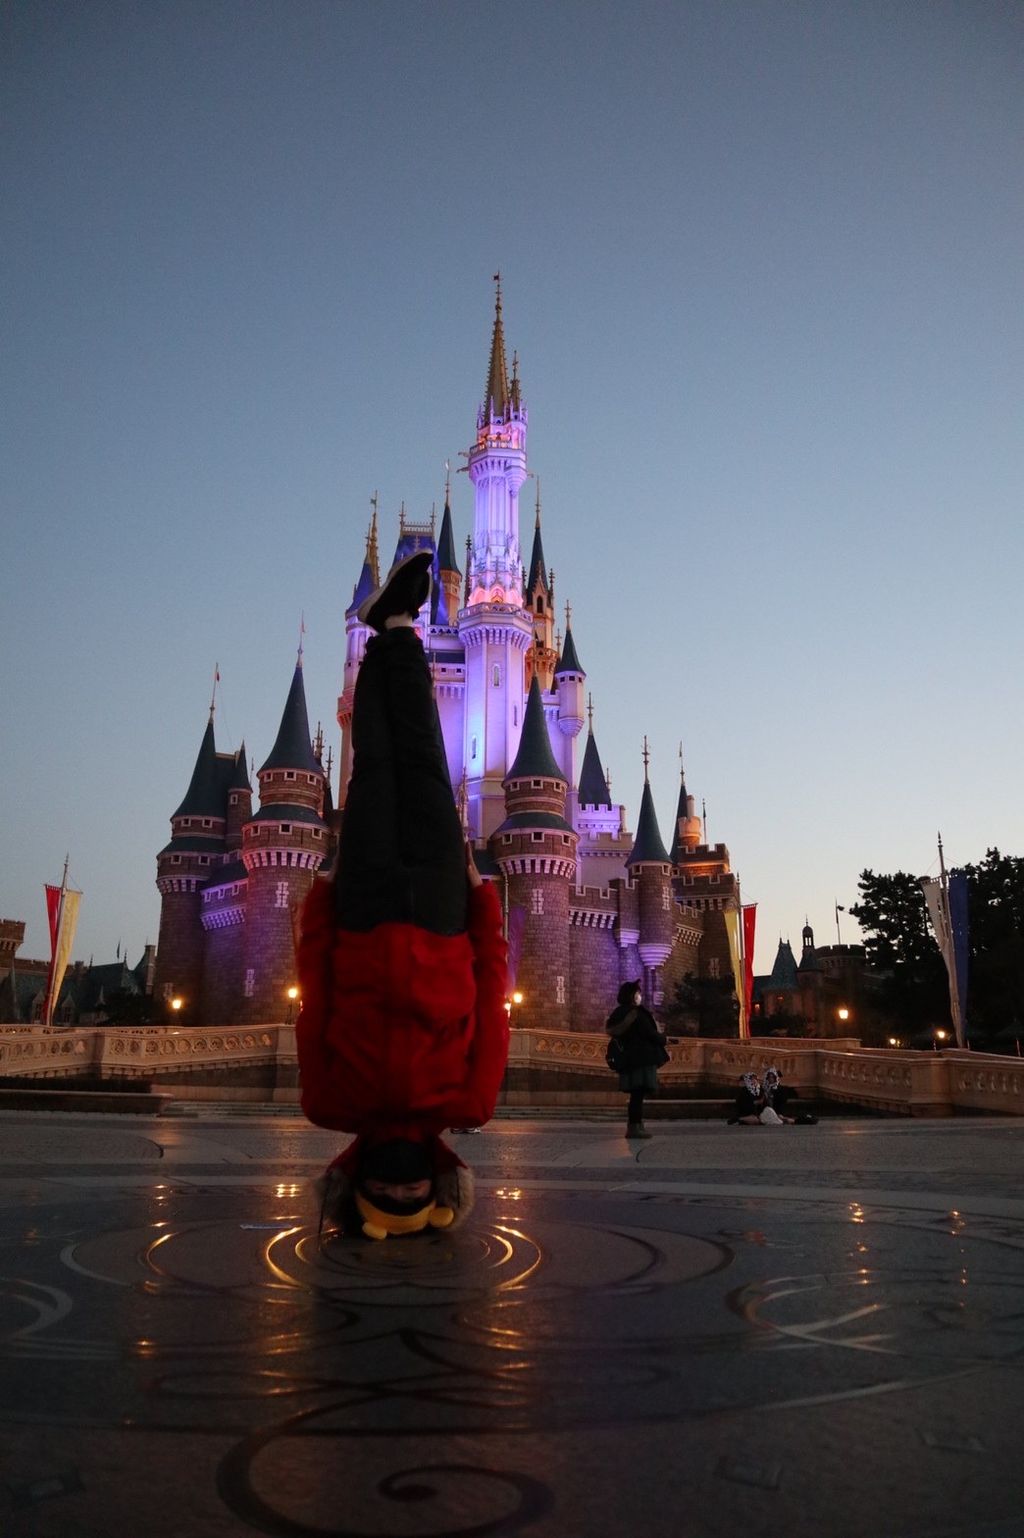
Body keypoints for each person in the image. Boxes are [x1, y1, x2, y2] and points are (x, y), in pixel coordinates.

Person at [295, 549, 509, 1239]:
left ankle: (381, 633)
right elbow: (494, 998)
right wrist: (484, 904)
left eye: (382, 1189)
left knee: (373, 771)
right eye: (409, 1189)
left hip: (363, 916)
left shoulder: (327, 1104)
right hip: (445, 919)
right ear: (438, 1184)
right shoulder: (471, 1104)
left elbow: (316, 996)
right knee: (424, 765)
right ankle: (400, 628)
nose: (397, 1178)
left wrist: (322, 900)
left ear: (356, 1181)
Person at [605, 979, 668, 1140]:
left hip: (629, 1059)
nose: (640, 996)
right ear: (632, 996)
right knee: (638, 1094)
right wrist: (663, 1039)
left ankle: (636, 1125)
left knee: (636, 1095)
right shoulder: (636, 1014)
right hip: (641, 1059)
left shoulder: (619, 1013)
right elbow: (648, 1033)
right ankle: (635, 1127)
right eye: (638, 993)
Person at [729, 1066, 816, 1125]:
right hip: (751, 1113)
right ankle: (739, 1119)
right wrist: (758, 1102)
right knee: (758, 1119)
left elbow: (780, 1102)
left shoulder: (777, 1089)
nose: (771, 1079)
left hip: (771, 1110)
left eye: (772, 1077)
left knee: (779, 1118)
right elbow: (744, 1103)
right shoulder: (749, 1090)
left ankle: (799, 1120)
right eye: (769, 1077)